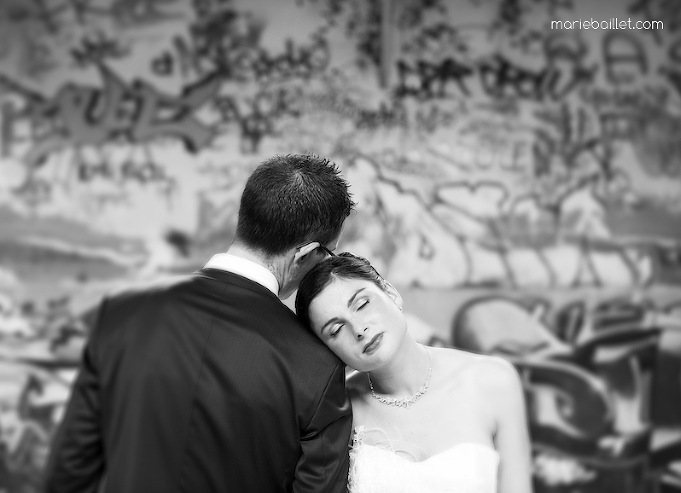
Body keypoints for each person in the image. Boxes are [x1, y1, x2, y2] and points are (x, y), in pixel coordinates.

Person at [44, 154, 356, 493]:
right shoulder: (316, 366)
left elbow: (67, 475)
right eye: (329, 254)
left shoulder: (121, 314)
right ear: (306, 253)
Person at [295, 253, 533, 493]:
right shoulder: (336, 410)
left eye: (362, 304)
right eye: (336, 330)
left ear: (390, 292)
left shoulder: (492, 380)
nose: (358, 329)